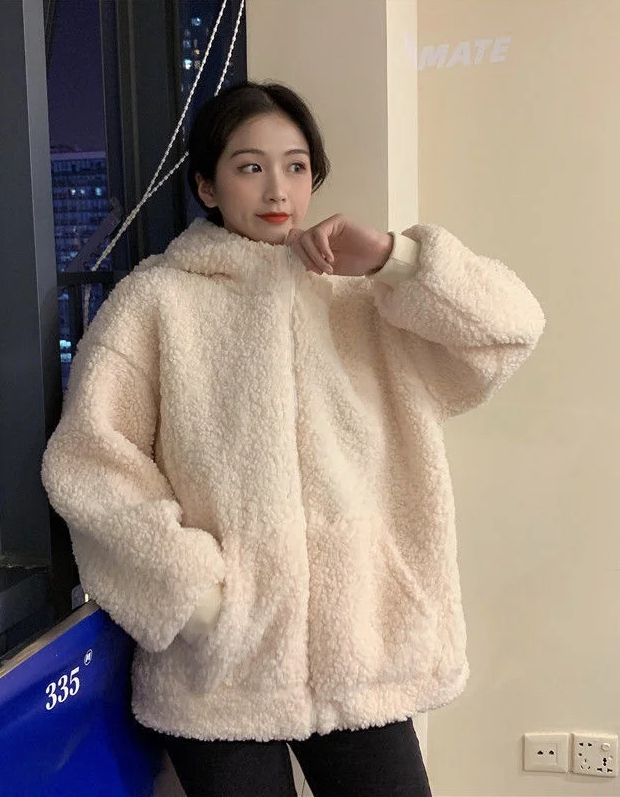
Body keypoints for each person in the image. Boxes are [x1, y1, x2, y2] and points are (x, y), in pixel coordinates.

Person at [41, 80, 546, 796]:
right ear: (207, 186)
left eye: (296, 165)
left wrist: (395, 258)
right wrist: (197, 598)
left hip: (361, 654)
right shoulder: (158, 302)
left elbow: (509, 329)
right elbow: (90, 462)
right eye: (250, 166)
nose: (277, 188)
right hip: (220, 669)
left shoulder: (365, 297)